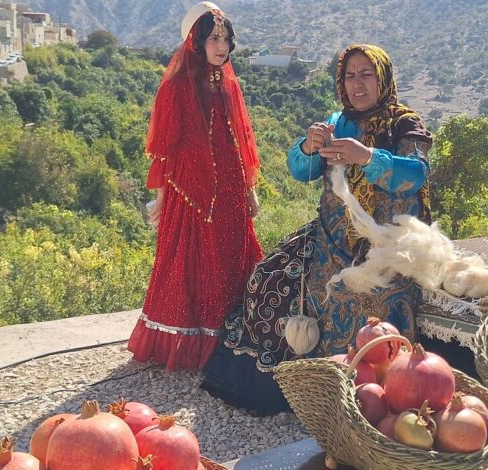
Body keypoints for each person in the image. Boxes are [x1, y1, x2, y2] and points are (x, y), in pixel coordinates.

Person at [200, 44, 433, 415]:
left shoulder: (404, 123)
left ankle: (352, 400)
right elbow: (302, 171)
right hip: (328, 236)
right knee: (267, 280)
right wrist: (307, 147)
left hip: (387, 247)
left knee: (358, 301)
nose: (357, 84)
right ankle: (288, 387)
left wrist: (368, 157)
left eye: (366, 74)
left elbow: (416, 175)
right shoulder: (336, 121)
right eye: (349, 76)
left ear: (383, 78)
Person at [127, 2, 263, 370]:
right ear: (196, 42)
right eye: (213, 38)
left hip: (231, 188)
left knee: (230, 255)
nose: (222, 46)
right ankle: (187, 344)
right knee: (193, 261)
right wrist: (160, 199)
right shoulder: (175, 87)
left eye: (226, 38)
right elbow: (163, 149)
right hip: (189, 188)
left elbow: (240, 140)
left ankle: (229, 336)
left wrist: (249, 188)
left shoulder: (228, 83)